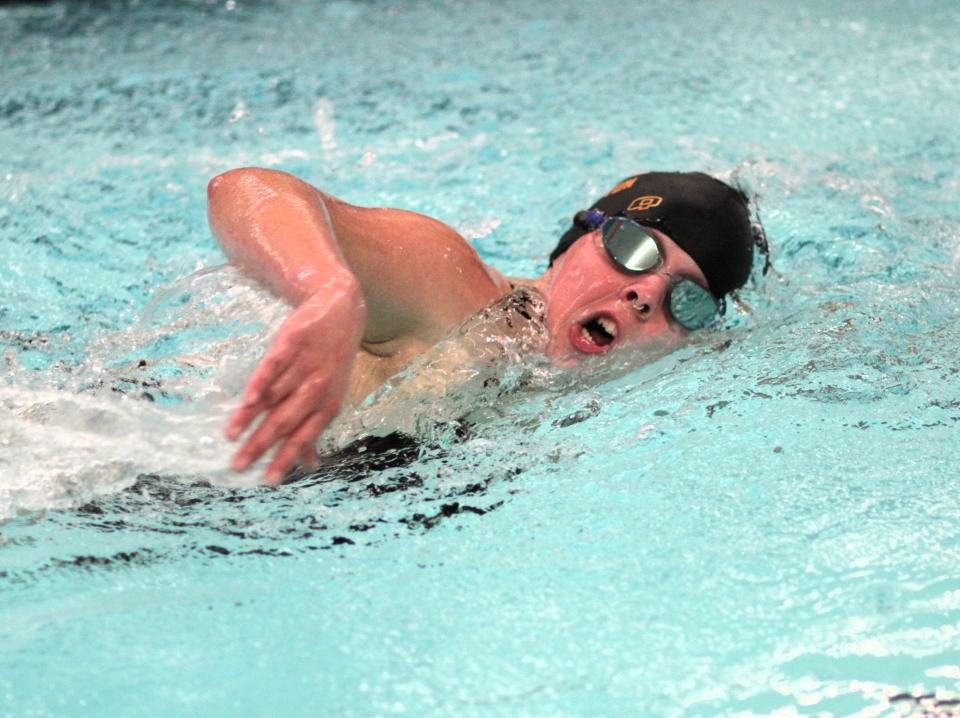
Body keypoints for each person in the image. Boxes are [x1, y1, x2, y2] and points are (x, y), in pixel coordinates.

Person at [207, 169, 759, 484]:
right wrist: (325, 290)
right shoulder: (455, 294)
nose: (647, 294)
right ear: (575, 243)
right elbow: (246, 189)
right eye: (635, 248)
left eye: (687, 302)